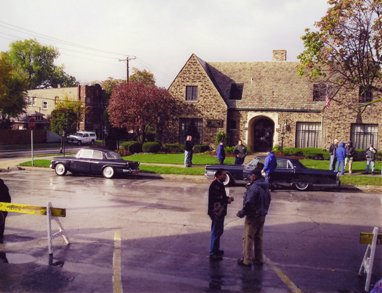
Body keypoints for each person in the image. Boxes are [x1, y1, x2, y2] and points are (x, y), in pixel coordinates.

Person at [236, 169, 271, 267]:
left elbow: (249, 203)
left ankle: (247, 260)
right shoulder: (265, 186)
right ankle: (258, 259)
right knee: (258, 238)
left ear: (254, 176)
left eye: (251, 175)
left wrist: (242, 213)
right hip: (262, 215)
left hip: (253, 216)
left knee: (248, 238)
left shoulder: (254, 187)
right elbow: (269, 200)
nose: (250, 177)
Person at [208, 169, 234, 261]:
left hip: (220, 212)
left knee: (219, 231)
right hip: (216, 212)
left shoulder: (219, 184)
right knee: (216, 232)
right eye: (223, 175)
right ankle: (212, 252)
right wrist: (227, 200)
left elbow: (221, 197)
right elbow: (217, 198)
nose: (225, 176)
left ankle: (216, 249)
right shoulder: (215, 185)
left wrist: (227, 198)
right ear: (218, 176)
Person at [0, 178, 11, 244]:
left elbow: (7, 199)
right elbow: (8, 199)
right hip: (3, 211)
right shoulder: (4, 186)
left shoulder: (3, 187)